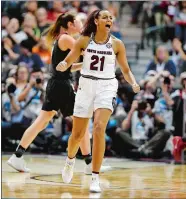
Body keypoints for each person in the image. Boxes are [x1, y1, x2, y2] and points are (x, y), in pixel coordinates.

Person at [7, 12, 103, 175]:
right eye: (79, 21)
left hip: (55, 84)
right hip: (61, 86)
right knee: (82, 123)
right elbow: (86, 53)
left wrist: (83, 64)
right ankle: (89, 164)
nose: (80, 24)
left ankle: (17, 156)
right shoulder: (66, 38)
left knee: (41, 122)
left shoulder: (63, 39)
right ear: (71, 24)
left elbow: (67, 66)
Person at [56, 9, 140, 192]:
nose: (109, 19)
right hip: (86, 86)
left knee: (99, 128)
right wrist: (64, 64)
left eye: (110, 17)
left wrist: (133, 82)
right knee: (77, 135)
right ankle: (70, 160)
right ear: (96, 20)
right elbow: (70, 59)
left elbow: (125, 69)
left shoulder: (117, 44)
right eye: (104, 17)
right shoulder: (84, 40)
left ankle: (95, 177)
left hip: (107, 86)